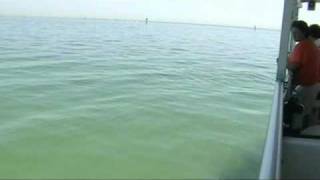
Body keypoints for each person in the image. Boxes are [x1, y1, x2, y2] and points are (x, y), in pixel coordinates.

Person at [288, 20, 320, 129]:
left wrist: (282, 62)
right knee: (306, 111)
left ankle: (297, 132)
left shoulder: (301, 46)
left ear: (304, 32)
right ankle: (309, 128)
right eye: (292, 33)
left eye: (296, 32)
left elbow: (294, 66)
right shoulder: (310, 44)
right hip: (314, 84)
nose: (293, 35)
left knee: (299, 113)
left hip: (307, 86)